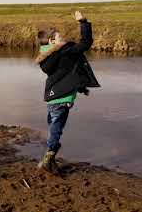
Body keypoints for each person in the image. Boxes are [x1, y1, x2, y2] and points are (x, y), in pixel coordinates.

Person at [35, 11, 100, 174]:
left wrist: (80, 87)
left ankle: (48, 159)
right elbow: (86, 43)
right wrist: (83, 22)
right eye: (59, 36)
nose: (62, 38)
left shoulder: (47, 55)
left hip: (52, 98)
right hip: (62, 99)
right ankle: (48, 159)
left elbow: (63, 75)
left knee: (53, 128)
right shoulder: (64, 51)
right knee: (56, 129)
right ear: (51, 40)